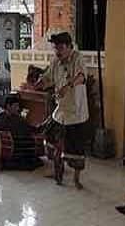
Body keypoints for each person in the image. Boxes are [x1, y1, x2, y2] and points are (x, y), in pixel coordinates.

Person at [35, 31, 89, 189]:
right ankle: (58, 172)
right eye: (55, 48)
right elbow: (48, 78)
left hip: (76, 112)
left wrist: (68, 86)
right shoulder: (55, 61)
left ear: (68, 46)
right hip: (61, 110)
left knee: (76, 148)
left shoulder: (77, 57)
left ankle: (77, 179)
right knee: (53, 140)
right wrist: (40, 82)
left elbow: (82, 77)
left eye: (60, 48)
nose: (57, 51)